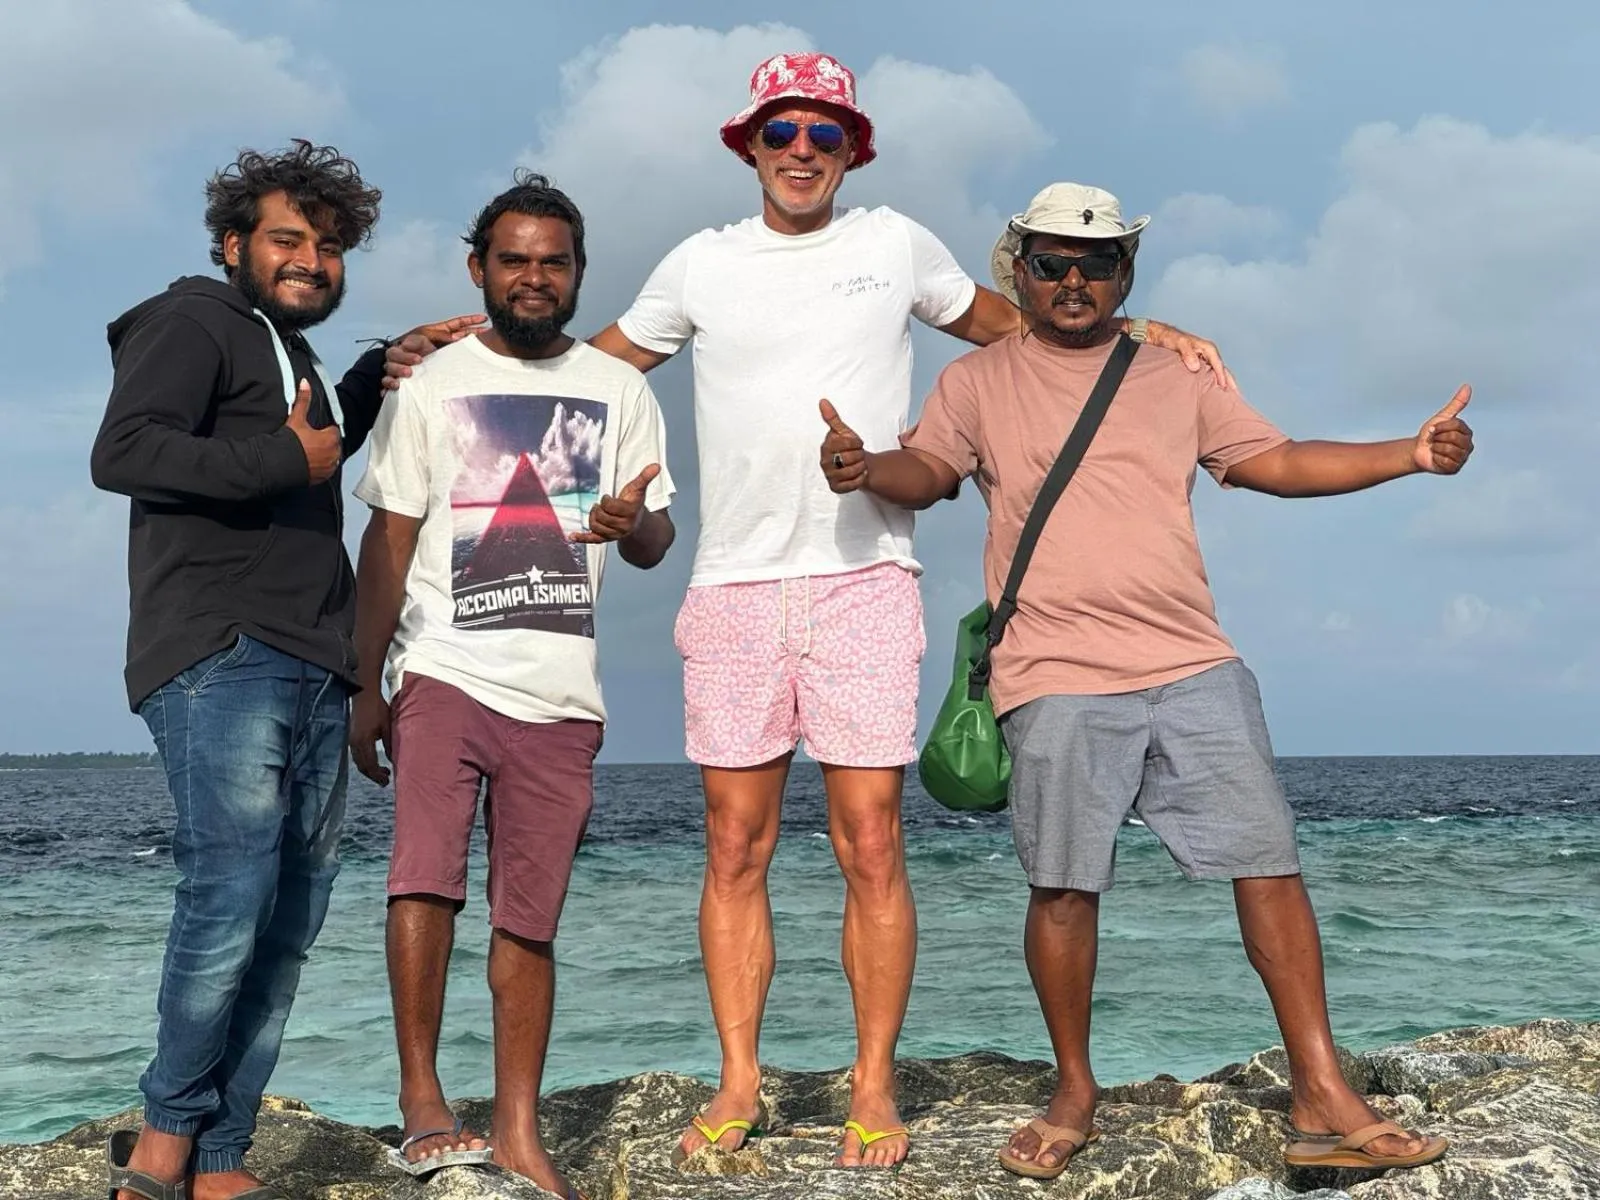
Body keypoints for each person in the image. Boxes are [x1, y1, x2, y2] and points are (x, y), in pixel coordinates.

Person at [384, 52, 1232, 1170]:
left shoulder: (893, 246)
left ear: (851, 149)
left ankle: (872, 1085)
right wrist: (459, 348)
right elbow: (580, 369)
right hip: (732, 585)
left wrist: (1147, 332)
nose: (800, 152)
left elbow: (1021, 325)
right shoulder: (700, 264)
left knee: (870, 843)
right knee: (733, 846)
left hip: (863, 582)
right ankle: (739, 1080)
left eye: (823, 135)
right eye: (780, 132)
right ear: (748, 145)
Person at [819, 182, 1469, 1180]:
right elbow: (927, 472)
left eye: (1096, 263)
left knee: (1270, 866)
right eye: (1050, 263)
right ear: (1019, 271)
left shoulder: (1173, 373)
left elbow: (1276, 459)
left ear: (1125, 272)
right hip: (1055, 672)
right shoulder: (979, 383)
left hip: (1191, 662)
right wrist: (866, 470)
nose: (1072, 280)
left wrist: (1408, 455)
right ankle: (1073, 1088)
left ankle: (1319, 1088)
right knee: (1064, 886)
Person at [91, 141, 479, 1200]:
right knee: (227, 896)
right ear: (232, 245)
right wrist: (281, 460)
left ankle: (223, 1153)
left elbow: (316, 442)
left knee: (289, 916)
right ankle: (166, 1141)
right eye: (287, 240)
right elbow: (123, 451)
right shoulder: (190, 319)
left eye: (328, 245)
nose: (312, 259)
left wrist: (377, 366)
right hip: (223, 651)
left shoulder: (282, 348)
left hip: (312, 664)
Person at [348, 172, 675, 1200]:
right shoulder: (434, 382)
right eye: (515, 259)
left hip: (561, 693)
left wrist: (636, 526)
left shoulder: (620, 388)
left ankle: (521, 1130)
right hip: (442, 666)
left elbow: (657, 533)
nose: (534, 277)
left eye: (554, 262)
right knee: (424, 879)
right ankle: (423, 1104)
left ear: (577, 273)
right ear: (478, 267)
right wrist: (368, 688)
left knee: (529, 918)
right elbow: (388, 535)